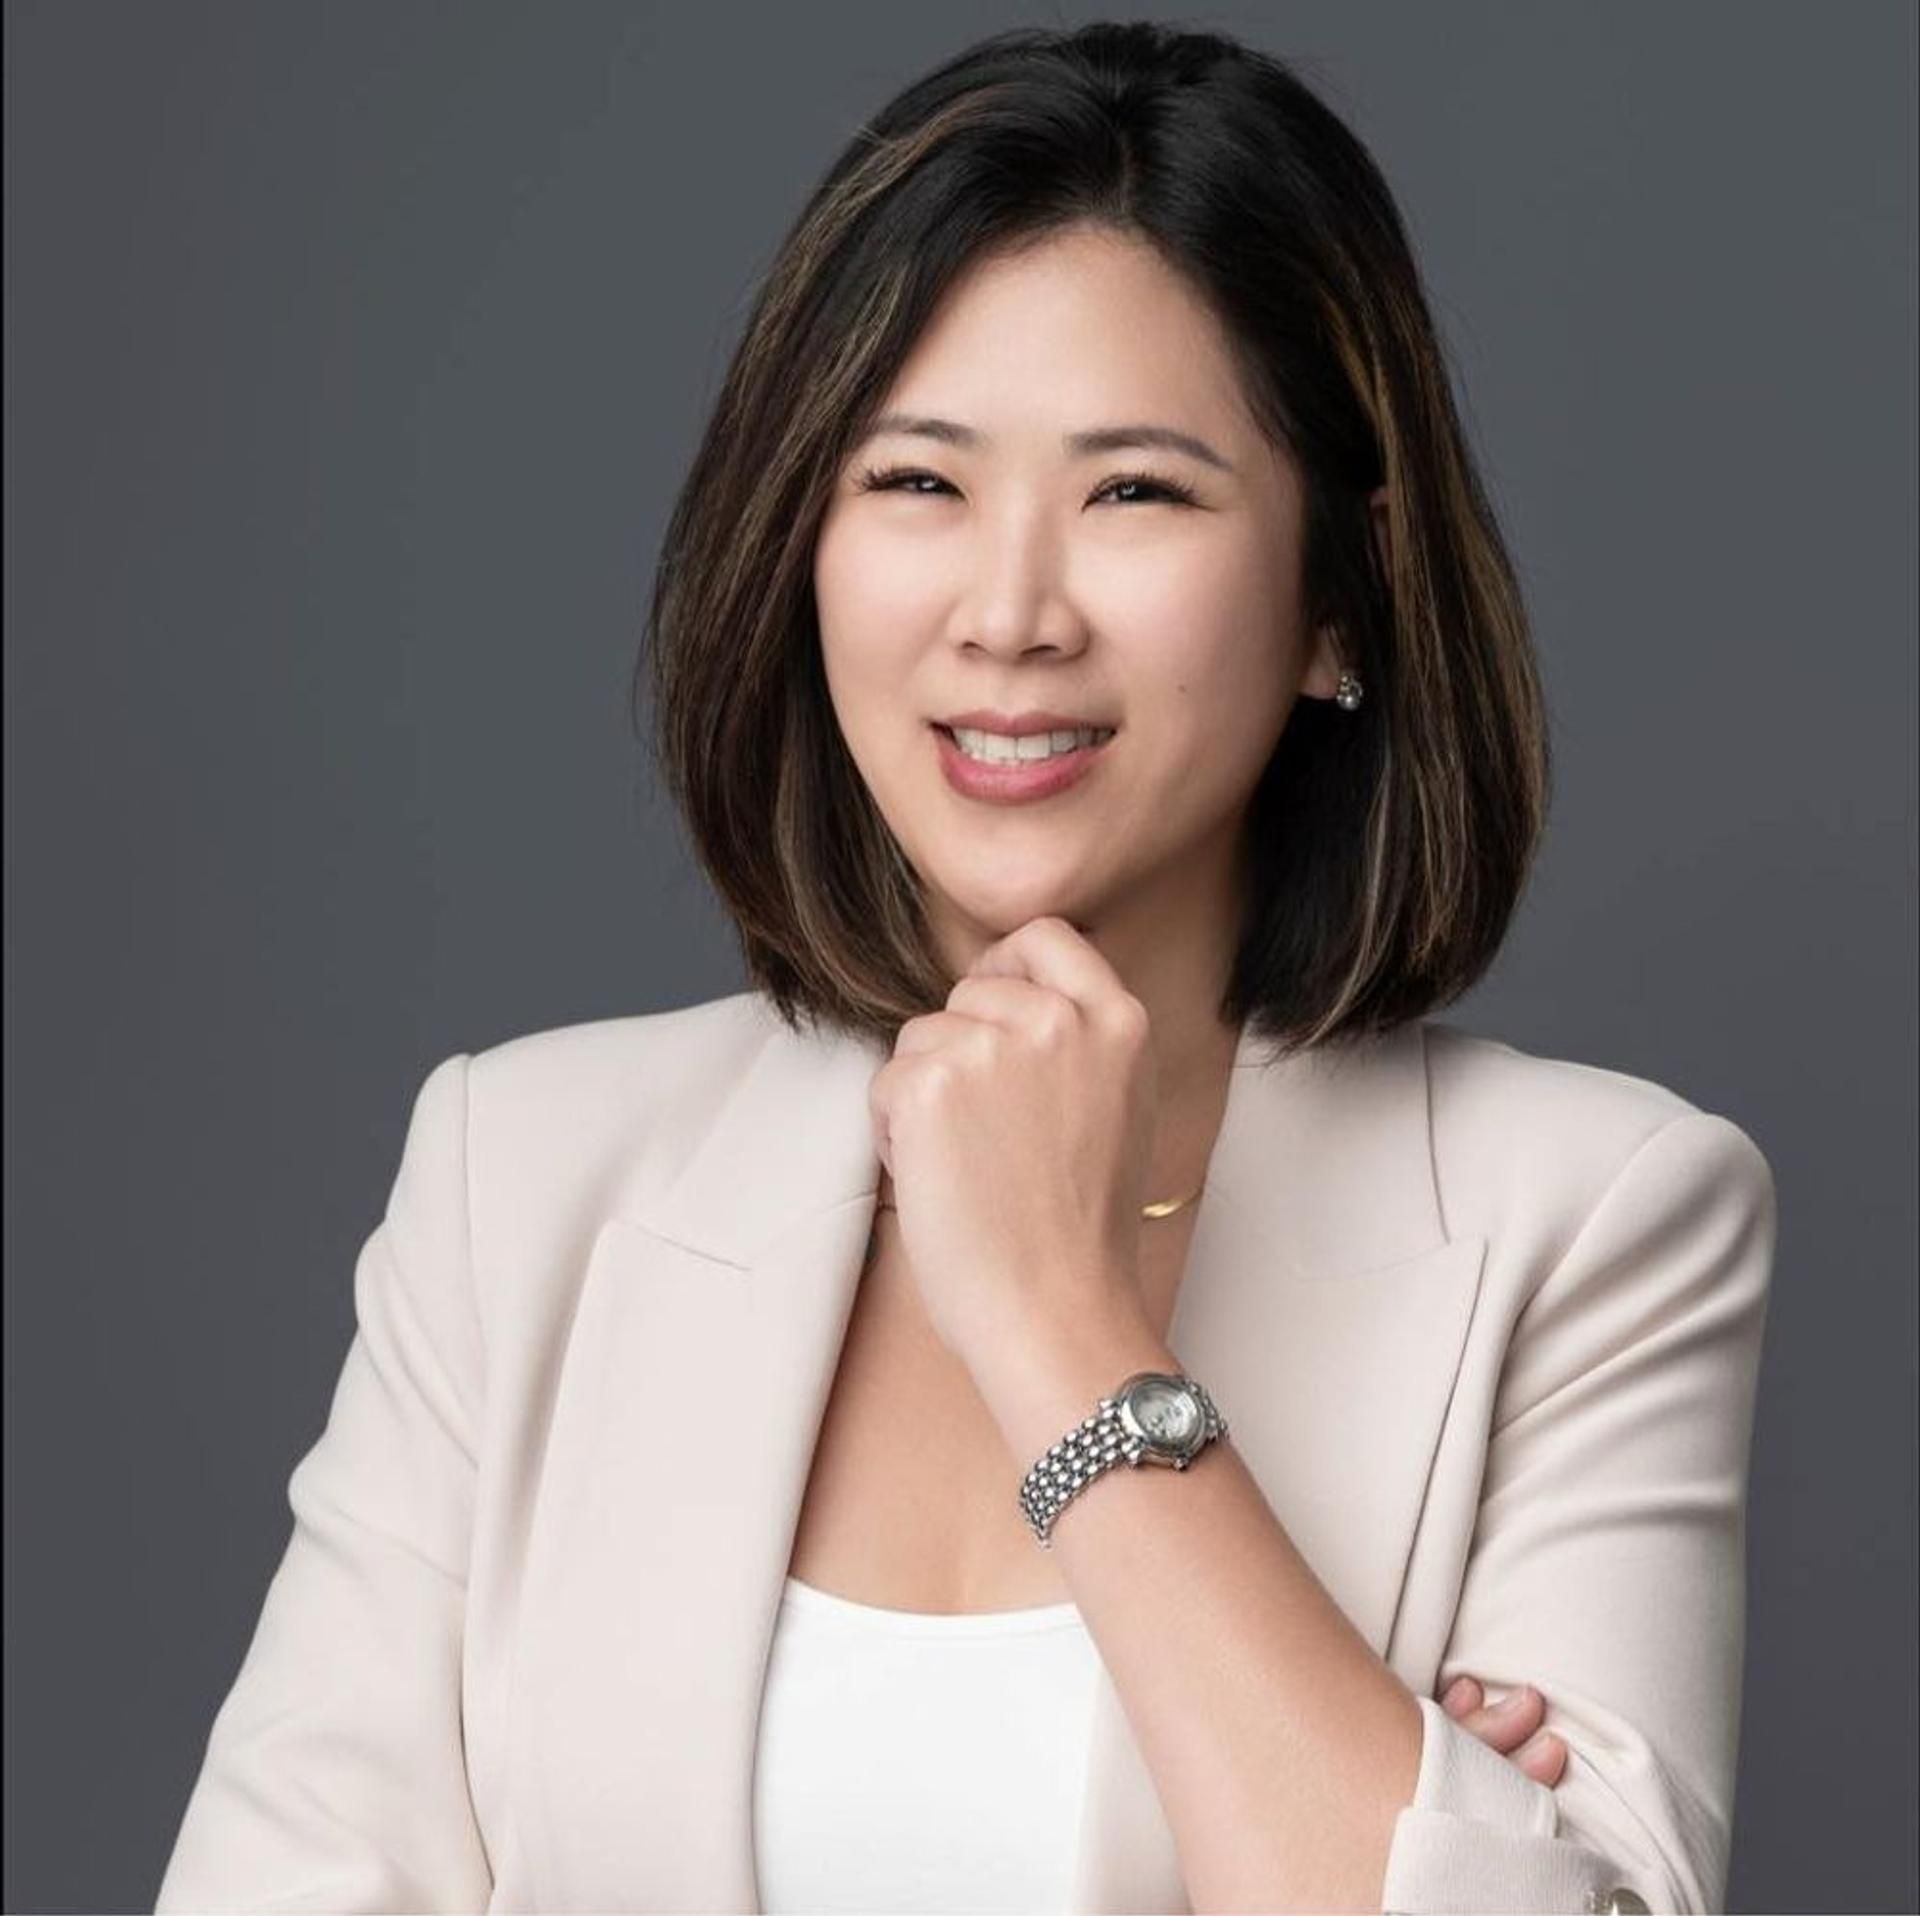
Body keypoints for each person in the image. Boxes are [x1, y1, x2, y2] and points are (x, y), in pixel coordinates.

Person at [154, 21, 1774, 1914]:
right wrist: (1389, 1802)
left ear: (1345, 590)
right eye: (917, 482)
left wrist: (1060, 1326)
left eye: (1137, 493)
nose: (1010, 615)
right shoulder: (521, 1184)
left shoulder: (1598, 1222)